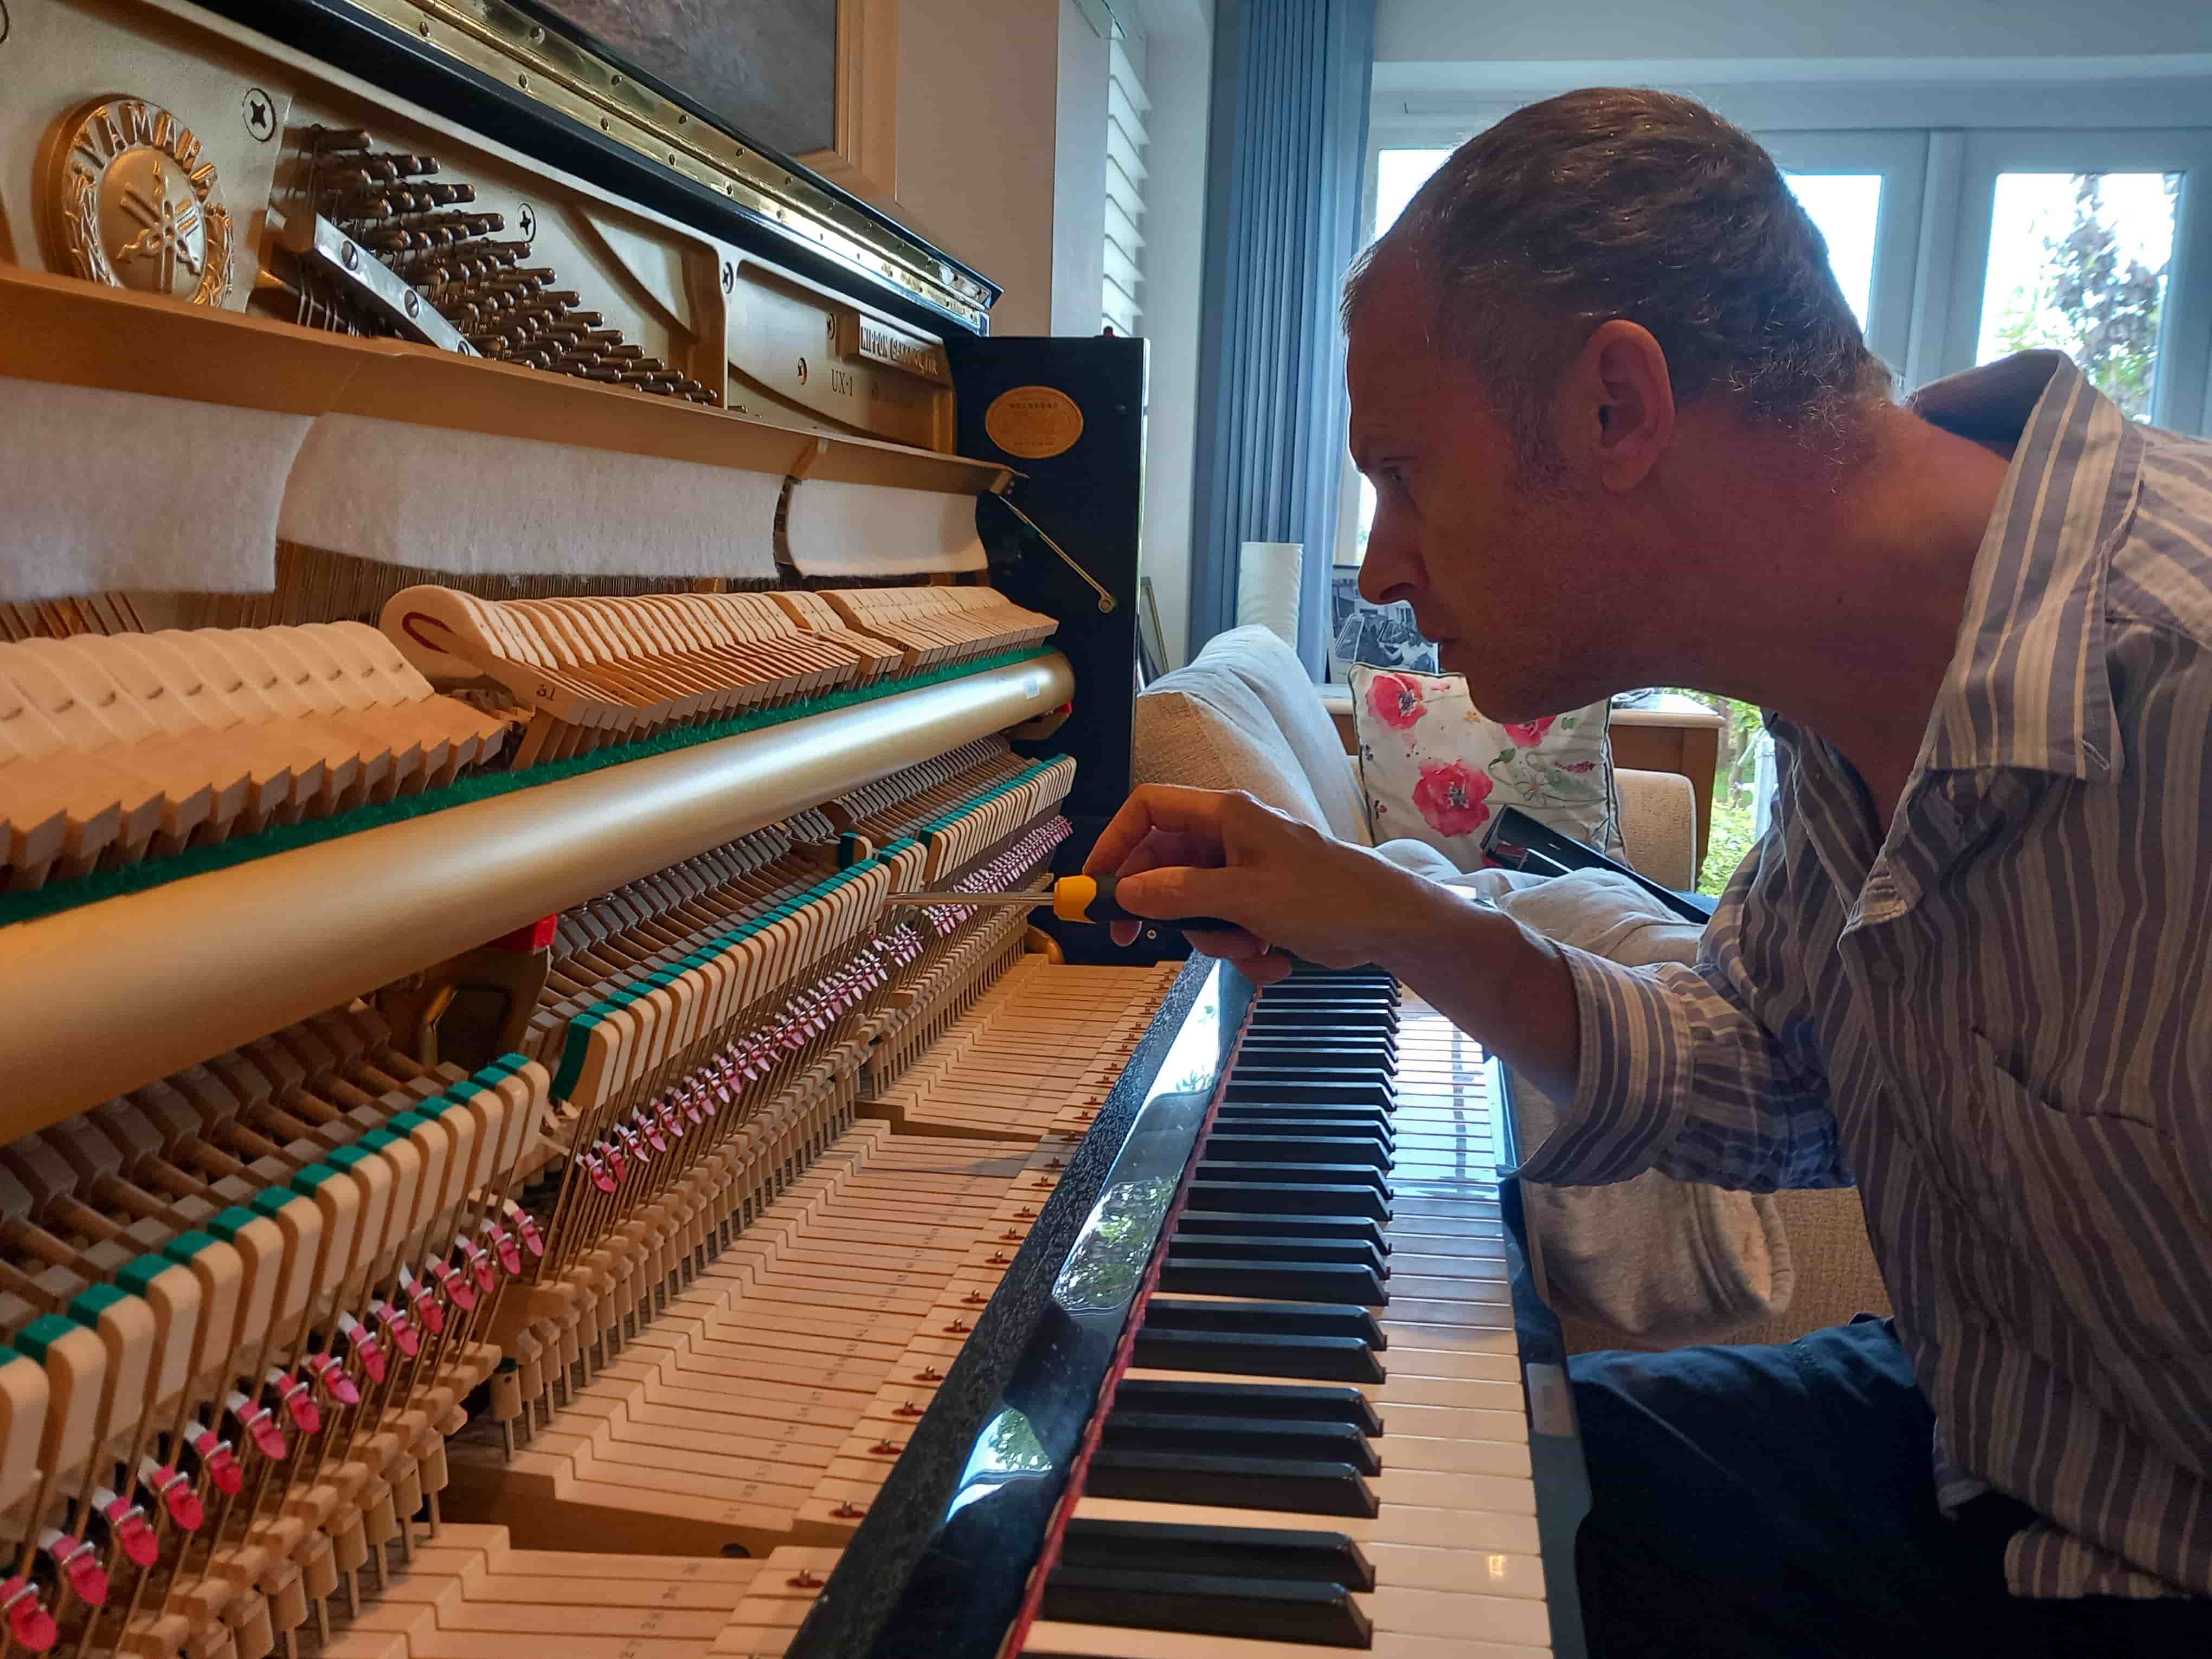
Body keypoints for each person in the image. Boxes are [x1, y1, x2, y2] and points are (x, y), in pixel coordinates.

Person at [1086, 89, 2212, 1656]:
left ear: (1616, 406)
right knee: (1396, 1496)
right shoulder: (1842, 690)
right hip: (1990, 1442)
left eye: (1404, 470)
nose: (1385, 559)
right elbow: (1768, 1078)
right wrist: (1402, 914)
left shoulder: (2183, 667)